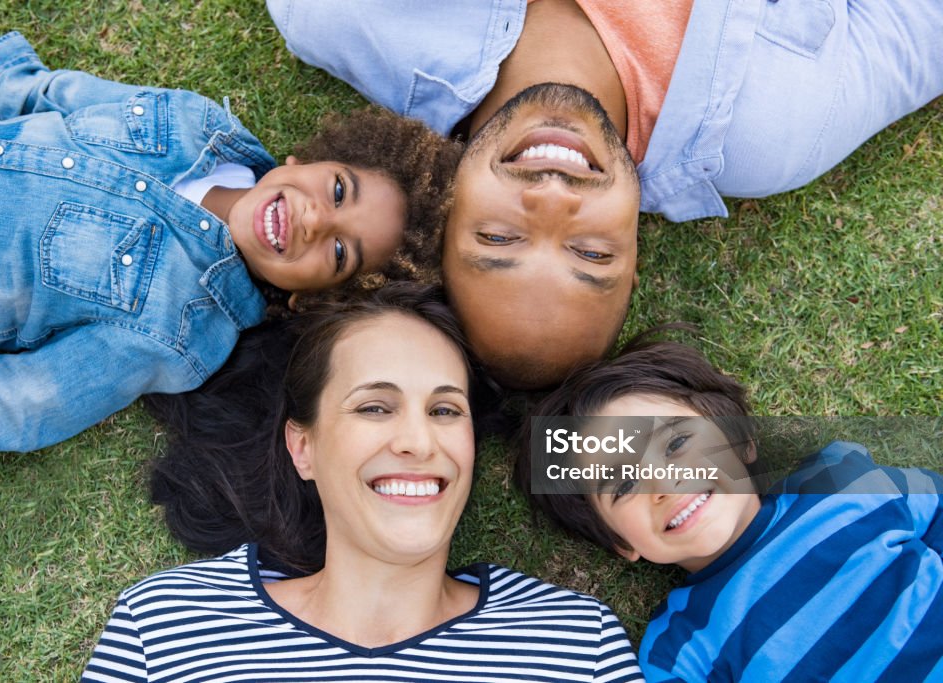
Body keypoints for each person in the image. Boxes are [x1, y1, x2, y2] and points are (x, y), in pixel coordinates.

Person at [265, 0, 943, 388]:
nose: (553, 200)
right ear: (634, 245)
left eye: (499, 238)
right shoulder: (772, 127)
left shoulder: (345, 15)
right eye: (590, 251)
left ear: (443, 214)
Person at [0, 32, 462, 477]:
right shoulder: (192, 122)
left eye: (341, 252)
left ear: (307, 299)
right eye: (339, 190)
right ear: (304, 161)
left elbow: (21, 400)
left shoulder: (178, 329)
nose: (316, 218)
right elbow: (44, 95)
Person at [82, 284, 644, 682]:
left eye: (446, 411)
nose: (419, 443)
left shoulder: (573, 643)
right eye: (375, 407)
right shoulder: (167, 626)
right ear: (303, 447)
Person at [515, 338, 943, 681]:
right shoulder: (677, 651)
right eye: (624, 484)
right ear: (620, 542)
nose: (663, 483)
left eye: (677, 443)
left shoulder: (838, 482)